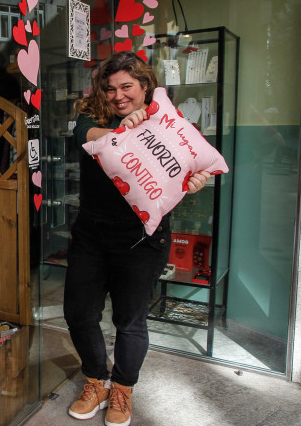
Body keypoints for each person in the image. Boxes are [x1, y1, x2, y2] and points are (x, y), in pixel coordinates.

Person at [64, 51, 211, 426]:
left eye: (126, 86)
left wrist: (193, 182)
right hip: (91, 233)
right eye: (110, 88)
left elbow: (189, 166)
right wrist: (123, 129)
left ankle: (123, 389)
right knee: (79, 314)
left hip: (142, 238)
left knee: (130, 320)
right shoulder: (93, 114)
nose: (117, 95)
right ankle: (96, 380)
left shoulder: (168, 122)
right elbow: (85, 137)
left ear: (145, 85)